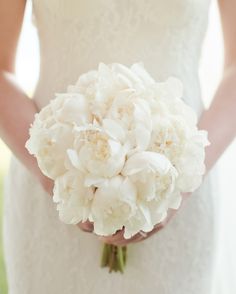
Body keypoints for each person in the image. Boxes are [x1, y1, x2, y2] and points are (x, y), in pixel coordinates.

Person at [0, 0, 235, 293]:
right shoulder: (57, 182)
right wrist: (60, 177)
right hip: (55, 194)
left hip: (181, 192)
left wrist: (183, 183)